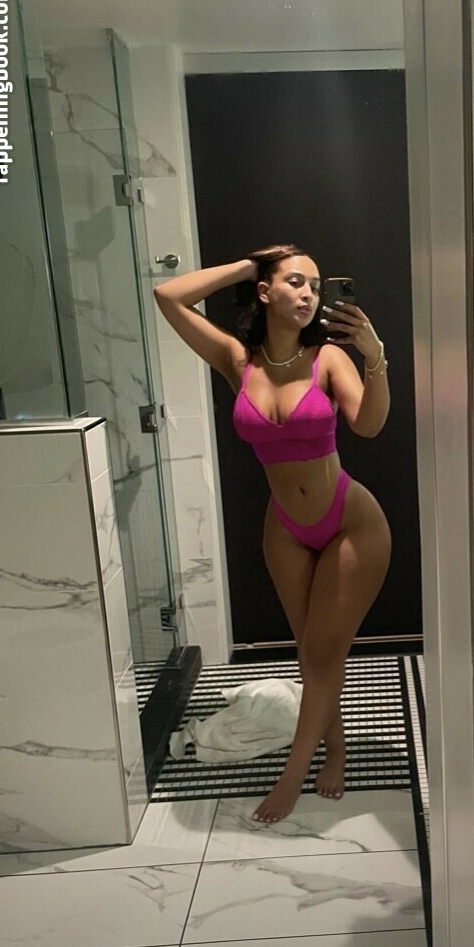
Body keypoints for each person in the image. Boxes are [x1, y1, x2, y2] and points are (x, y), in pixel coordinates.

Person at [153, 244, 391, 823]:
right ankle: (334, 747)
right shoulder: (238, 360)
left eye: (316, 285)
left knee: (323, 650)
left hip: (349, 522)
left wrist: (375, 358)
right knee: (312, 652)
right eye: (295, 282)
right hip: (283, 527)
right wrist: (247, 266)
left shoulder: (328, 357)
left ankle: (295, 774)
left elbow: (369, 425)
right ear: (265, 291)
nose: (309, 294)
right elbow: (168, 296)